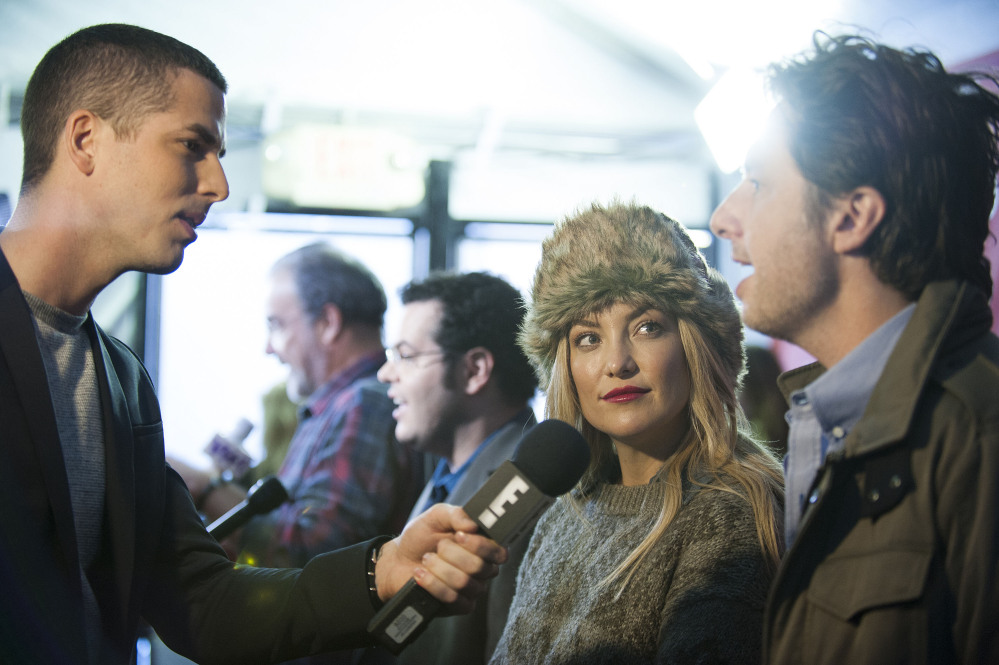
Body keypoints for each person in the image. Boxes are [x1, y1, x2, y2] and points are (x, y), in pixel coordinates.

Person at [0, 23, 503, 665]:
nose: (218, 184)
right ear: (86, 140)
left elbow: (204, 603)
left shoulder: (121, 382)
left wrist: (381, 571)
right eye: (192, 145)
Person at [709, 33, 999, 665]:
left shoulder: (979, 437)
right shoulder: (826, 418)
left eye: (758, 182)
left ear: (852, 216)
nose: (723, 219)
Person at [489, 201, 784, 664]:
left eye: (647, 328)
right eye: (588, 338)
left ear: (695, 346)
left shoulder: (728, 515)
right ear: (565, 366)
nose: (617, 362)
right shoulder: (566, 511)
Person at [179, 242, 426, 569]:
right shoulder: (339, 405)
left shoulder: (362, 404)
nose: (269, 348)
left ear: (328, 322)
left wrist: (204, 488)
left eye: (277, 325)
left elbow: (313, 554)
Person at [361, 271, 540, 665]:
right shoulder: (445, 477)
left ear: (475, 370)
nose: (385, 373)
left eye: (406, 356)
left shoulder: (532, 488)